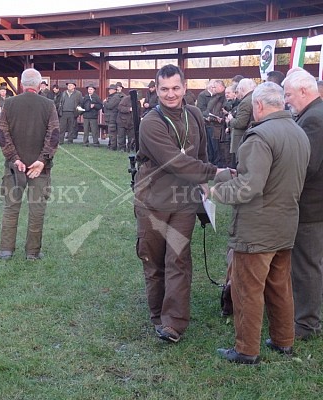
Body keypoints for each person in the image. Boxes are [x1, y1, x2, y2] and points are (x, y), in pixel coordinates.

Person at [212, 82, 310, 364]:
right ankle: (283, 340)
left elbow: (248, 187)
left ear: (258, 105)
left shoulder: (259, 136)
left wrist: (217, 191)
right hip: (286, 223)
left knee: (247, 291)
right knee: (280, 286)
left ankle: (246, 349)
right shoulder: (298, 132)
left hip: (257, 228)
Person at [134, 64, 223, 343]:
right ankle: (157, 315)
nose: (170, 94)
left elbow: (201, 150)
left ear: (185, 88)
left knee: (179, 259)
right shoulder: (150, 121)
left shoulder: (194, 113)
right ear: (156, 90)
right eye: (164, 89)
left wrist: (202, 182)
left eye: (175, 88)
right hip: (153, 200)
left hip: (184, 201)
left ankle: (173, 323)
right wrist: (213, 173)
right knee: (154, 260)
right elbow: (176, 161)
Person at [0, 68, 59, 261]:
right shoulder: (49, 105)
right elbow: (54, 135)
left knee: (11, 207)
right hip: (40, 169)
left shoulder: (9, 103)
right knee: (37, 209)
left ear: (22, 84)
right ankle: (32, 252)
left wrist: (14, 159)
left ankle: (6, 250)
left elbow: (2, 134)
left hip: (14, 168)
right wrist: (42, 160)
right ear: (40, 85)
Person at [283, 70, 323, 340]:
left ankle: (306, 324)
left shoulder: (314, 120)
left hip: (311, 205)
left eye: (288, 94)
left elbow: (306, 166)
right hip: (314, 203)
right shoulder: (314, 114)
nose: (286, 100)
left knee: (307, 265)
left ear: (304, 92)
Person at [226, 78, 256, 166]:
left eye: (237, 90)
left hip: (242, 139)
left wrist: (231, 119)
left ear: (242, 89)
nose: (237, 93)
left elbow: (240, 123)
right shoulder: (254, 98)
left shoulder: (245, 102)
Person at [103, 84, 122, 151]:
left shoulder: (115, 97)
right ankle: (110, 145)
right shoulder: (112, 97)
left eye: (110, 89)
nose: (109, 91)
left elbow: (109, 106)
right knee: (111, 132)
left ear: (114, 90)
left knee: (112, 133)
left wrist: (105, 102)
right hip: (110, 117)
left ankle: (113, 147)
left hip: (112, 118)